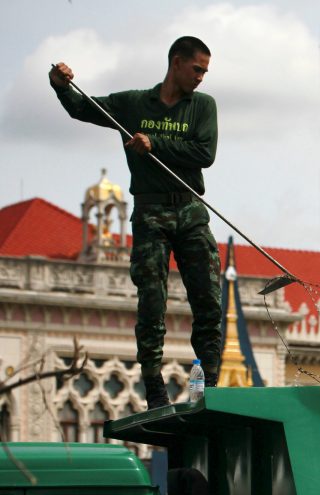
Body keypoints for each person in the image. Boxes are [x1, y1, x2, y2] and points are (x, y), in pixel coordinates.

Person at [49, 36, 222, 409]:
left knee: (208, 300)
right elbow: (83, 107)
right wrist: (60, 85)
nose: (201, 78)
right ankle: (155, 390)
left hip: (190, 211)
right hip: (150, 211)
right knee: (151, 301)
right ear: (176, 63)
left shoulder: (202, 106)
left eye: (205, 72)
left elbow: (204, 153)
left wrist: (154, 143)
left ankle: (208, 388)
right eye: (197, 69)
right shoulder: (132, 104)